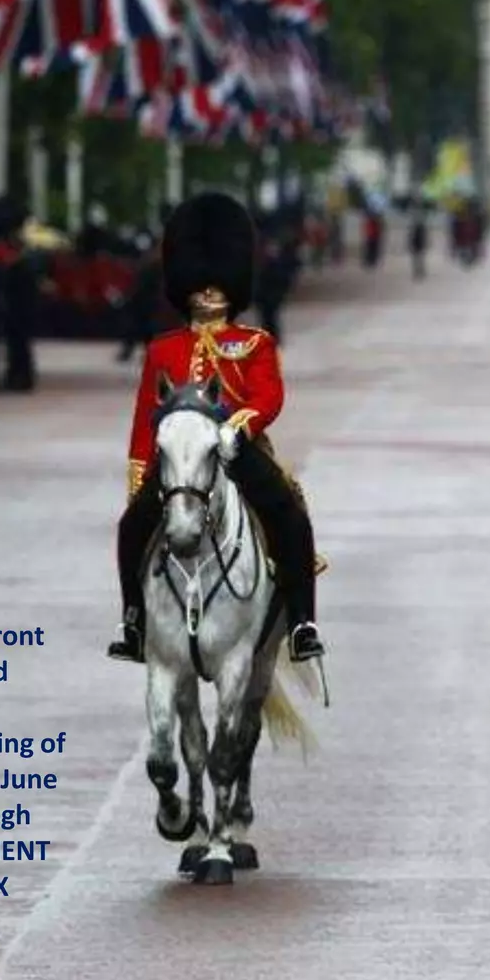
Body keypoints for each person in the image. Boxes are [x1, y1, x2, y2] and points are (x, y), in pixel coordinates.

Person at [109, 193, 324, 666]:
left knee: (289, 513)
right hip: (178, 459)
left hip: (237, 449)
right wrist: (139, 473)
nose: (208, 291)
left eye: (217, 283)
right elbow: (147, 413)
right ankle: (132, 620)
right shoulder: (164, 349)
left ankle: (303, 623)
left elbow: (269, 396)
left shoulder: (253, 343)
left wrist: (242, 426)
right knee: (131, 528)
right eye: (199, 283)